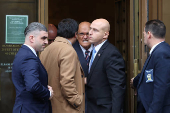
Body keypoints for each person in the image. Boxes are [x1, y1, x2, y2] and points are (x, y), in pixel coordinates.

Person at [40, 18, 85, 113]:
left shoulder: (46, 49)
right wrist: (77, 102)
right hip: (66, 108)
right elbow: (66, 81)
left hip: (51, 106)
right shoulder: (68, 50)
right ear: (76, 34)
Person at [12, 22, 53, 113]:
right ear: (31, 38)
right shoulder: (28, 56)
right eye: (43, 38)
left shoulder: (24, 53)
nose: (46, 42)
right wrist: (47, 93)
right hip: (31, 109)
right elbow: (33, 85)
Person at [86, 18, 126, 113]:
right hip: (92, 107)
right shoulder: (94, 50)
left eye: (95, 30)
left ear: (105, 34)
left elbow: (117, 87)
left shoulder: (111, 53)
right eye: (90, 28)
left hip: (104, 108)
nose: (90, 32)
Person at [130, 19, 170, 113]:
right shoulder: (158, 51)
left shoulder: (162, 53)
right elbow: (152, 72)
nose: (142, 37)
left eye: (143, 33)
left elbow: (161, 87)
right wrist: (136, 80)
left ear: (149, 34)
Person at [73, 21, 93, 113]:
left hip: (97, 102)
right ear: (76, 35)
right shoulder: (70, 51)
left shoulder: (100, 49)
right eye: (81, 34)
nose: (85, 37)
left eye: (88, 34)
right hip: (77, 101)